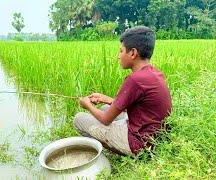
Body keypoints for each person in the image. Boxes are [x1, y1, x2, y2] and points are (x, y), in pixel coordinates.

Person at [73, 26, 172, 156]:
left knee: (79, 119)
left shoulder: (134, 79)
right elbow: (138, 106)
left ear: (133, 53)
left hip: (141, 144)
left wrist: (87, 105)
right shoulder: (154, 73)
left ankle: (105, 151)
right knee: (104, 107)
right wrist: (107, 99)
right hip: (156, 138)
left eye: (121, 51)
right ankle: (113, 141)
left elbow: (106, 119)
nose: (118, 56)